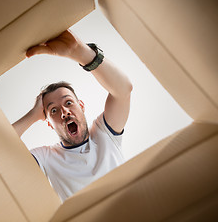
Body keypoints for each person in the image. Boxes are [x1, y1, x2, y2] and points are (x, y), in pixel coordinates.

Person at [12, 29, 133, 202]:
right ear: (48, 123)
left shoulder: (104, 134)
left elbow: (124, 90)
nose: (64, 112)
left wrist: (81, 53)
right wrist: (32, 115)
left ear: (81, 106)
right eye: (53, 110)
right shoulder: (46, 157)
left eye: (68, 102)